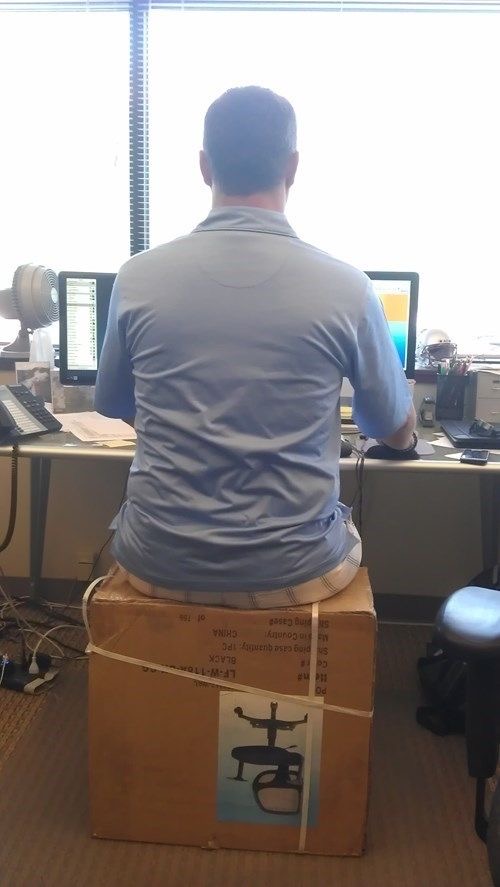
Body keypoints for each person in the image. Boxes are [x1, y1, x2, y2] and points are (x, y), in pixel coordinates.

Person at [95, 85, 416, 609]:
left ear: (204, 166)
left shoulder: (136, 278)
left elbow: (112, 403)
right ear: (292, 167)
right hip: (296, 570)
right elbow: (392, 427)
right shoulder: (347, 286)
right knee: (346, 529)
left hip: (155, 564)